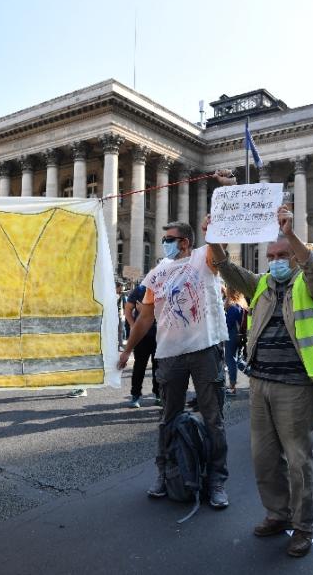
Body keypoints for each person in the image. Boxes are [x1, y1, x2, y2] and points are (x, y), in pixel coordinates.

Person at [211, 204, 313, 557]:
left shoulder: (310, 286)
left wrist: (291, 233)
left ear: (294, 257)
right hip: (260, 382)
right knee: (263, 458)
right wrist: (215, 236)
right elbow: (226, 268)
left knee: (297, 461)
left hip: (294, 385)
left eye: (283, 255)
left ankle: (303, 527)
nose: (276, 260)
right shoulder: (261, 283)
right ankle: (277, 515)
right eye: (272, 255)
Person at [118, 216, 230, 509]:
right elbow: (145, 317)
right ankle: (165, 473)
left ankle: (216, 480)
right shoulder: (157, 273)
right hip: (169, 354)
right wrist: (128, 349)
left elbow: (220, 256)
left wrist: (213, 233)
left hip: (204, 350)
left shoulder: (201, 258)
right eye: (164, 239)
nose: (164, 242)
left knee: (213, 419)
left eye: (169, 239)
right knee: (167, 418)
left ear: (185, 242)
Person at [124, 282, 159, 408]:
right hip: (141, 336)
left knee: (159, 367)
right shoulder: (140, 289)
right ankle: (135, 396)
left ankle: (158, 394)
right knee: (139, 366)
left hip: (159, 336)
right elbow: (128, 308)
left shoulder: (165, 287)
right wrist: (133, 326)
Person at [223, 287, 246, 396]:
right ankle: (255, 376)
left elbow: (227, 324)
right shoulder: (241, 305)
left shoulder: (233, 307)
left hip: (232, 336)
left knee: (230, 359)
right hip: (240, 336)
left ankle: (232, 387)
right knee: (239, 361)